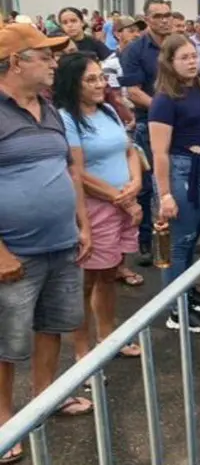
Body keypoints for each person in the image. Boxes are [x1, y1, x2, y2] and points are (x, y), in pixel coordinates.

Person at [0, 24, 91, 462]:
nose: (55, 63)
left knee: (52, 326)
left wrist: (83, 225)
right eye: (44, 55)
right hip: (14, 253)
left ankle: (45, 399)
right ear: (15, 63)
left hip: (62, 244)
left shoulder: (49, 108)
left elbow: (68, 170)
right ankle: (4, 421)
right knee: (6, 343)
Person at [55, 53, 144, 364]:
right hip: (95, 209)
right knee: (86, 281)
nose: (100, 84)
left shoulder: (107, 110)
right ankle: (83, 352)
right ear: (73, 83)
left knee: (108, 275)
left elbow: (129, 150)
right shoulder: (66, 118)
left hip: (121, 206)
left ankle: (108, 338)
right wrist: (122, 198)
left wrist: (135, 182)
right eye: (90, 79)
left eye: (101, 77)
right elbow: (77, 172)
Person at [149, 35, 200, 333]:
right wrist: (165, 194)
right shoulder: (164, 100)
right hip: (182, 173)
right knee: (179, 244)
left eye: (194, 56)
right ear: (169, 62)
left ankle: (186, 290)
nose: (192, 62)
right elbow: (159, 151)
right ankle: (176, 309)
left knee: (192, 240)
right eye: (184, 57)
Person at [120, 0, 173, 267]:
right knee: (148, 185)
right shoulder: (135, 50)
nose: (164, 20)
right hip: (148, 124)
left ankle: (174, 236)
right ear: (147, 19)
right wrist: (163, 110)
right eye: (158, 16)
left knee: (174, 181)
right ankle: (145, 242)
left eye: (167, 15)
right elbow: (133, 92)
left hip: (179, 125)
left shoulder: (178, 45)